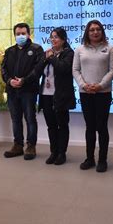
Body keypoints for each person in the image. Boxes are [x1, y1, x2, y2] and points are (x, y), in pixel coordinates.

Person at [72, 19, 113, 172]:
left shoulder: (110, 48)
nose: (95, 32)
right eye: (92, 30)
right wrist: (84, 85)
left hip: (103, 93)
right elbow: (75, 70)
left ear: (102, 31)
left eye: (98, 29)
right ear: (87, 32)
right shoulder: (79, 49)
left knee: (102, 127)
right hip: (86, 93)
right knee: (90, 127)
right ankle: (89, 158)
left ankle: (102, 160)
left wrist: (100, 85)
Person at [2, 23, 44, 160]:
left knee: (30, 119)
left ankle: (31, 146)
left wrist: (24, 80)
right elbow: (3, 70)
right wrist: (10, 81)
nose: (20, 36)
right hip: (12, 91)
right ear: (14, 35)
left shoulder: (37, 49)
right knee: (15, 119)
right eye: (18, 34)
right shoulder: (9, 51)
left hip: (29, 90)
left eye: (23, 33)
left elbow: (38, 70)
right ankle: (17, 145)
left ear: (28, 34)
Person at [38, 28, 75, 165]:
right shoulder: (47, 53)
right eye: (51, 37)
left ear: (63, 39)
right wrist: (45, 59)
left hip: (61, 95)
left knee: (62, 125)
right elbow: (38, 70)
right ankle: (53, 152)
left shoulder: (69, 53)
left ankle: (61, 153)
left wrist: (52, 58)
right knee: (51, 125)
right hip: (46, 95)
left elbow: (63, 68)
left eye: (56, 37)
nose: (53, 40)